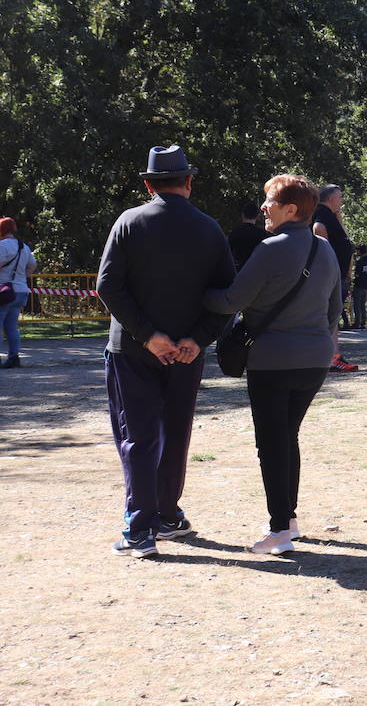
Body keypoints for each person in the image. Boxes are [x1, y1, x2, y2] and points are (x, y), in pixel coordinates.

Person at [96, 145, 235, 558]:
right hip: (187, 352)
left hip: (133, 350)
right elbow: (226, 297)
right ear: (189, 182)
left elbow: (108, 286)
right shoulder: (209, 228)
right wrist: (198, 338)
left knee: (137, 436)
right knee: (175, 434)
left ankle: (140, 529)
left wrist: (146, 334)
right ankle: (168, 515)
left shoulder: (129, 222)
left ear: (147, 184)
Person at [202, 175, 340, 554]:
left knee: (272, 443)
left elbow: (231, 300)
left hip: (273, 361)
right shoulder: (324, 249)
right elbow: (333, 311)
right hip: (314, 361)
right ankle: (288, 518)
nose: (263, 207)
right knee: (287, 437)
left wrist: (199, 294)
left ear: (291, 209)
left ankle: (280, 529)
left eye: (270, 201)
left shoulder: (271, 247)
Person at [312, 184, 357, 371]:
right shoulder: (322, 215)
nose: (342, 201)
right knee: (328, 317)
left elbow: (347, 242)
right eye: (340, 197)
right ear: (331, 199)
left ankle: (333, 356)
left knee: (333, 316)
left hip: (337, 276)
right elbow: (318, 230)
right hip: (329, 277)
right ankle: (330, 357)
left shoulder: (332, 216)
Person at [0, 217, 37, 369]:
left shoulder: (2, 246)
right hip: (21, 290)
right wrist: (20, 276)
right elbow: (33, 266)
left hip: (4, 291)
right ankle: (14, 358)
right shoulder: (24, 247)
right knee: (11, 327)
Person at [227, 201, 269, 270]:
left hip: (238, 269)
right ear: (257, 216)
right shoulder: (262, 233)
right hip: (256, 269)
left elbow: (228, 252)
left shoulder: (235, 231)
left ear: (242, 214)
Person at [350, 245, 367, 329]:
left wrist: (354, 281)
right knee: (362, 305)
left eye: (357, 251)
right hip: (366, 285)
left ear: (360, 251)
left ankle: (357, 322)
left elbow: (357, 274)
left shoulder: (360, 261)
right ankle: (363, 322)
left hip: (359, 285)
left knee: (357, 305)